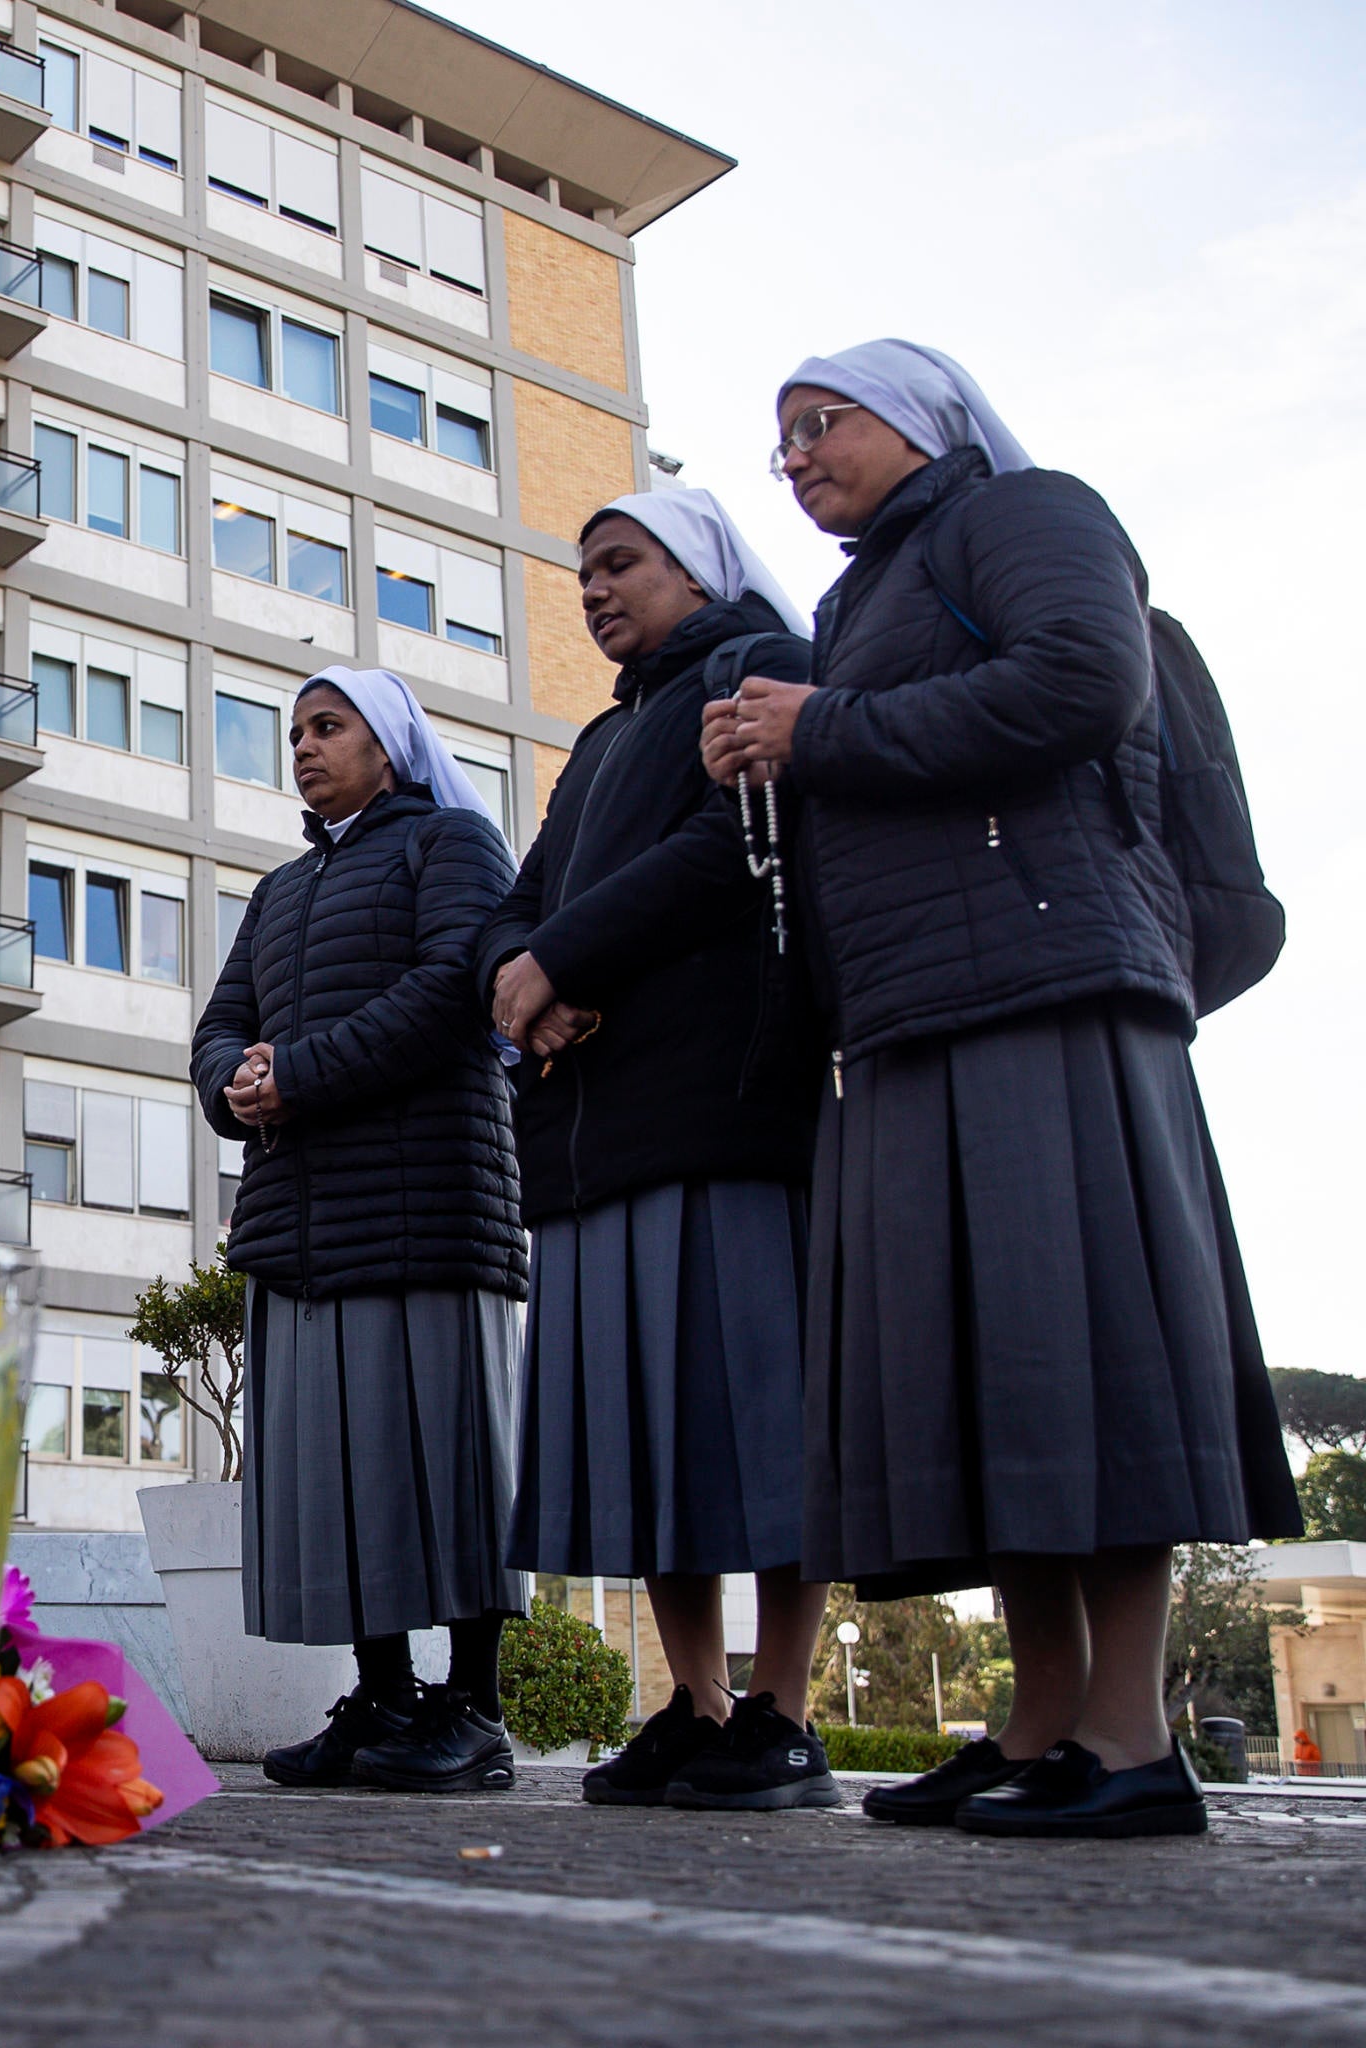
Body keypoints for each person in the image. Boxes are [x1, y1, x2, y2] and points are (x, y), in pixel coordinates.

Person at [704, 339, 1300, 1839]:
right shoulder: (859, 598)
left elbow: (1084, 681)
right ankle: (1042, 1720)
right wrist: (779, 753)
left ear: (918, 421)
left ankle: (1130, 1735)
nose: (794, 457)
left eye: (820, 422)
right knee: (1000, 1378)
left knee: (1085, 1353)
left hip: (1045, 988)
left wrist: (816, 726)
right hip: (915, 1012)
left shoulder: (1029, 515)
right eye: (779, 439)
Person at [475, 488, 836, 1811]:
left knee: (760, 1425)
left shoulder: (760, 668)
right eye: (583, 575)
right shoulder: (602, 737)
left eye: (621, 564)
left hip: (724, 1107)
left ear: (700, 568)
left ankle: (783, 1713)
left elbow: (736, 851)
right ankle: (693, 1702)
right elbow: (516, 906)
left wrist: (564, 954)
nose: (595, 591)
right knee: (654, 1441)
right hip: (594, 1126)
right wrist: (525, 972)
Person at [192, 667, 528, 1795]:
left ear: (391, 744)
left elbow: (450, 993)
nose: (304, 747)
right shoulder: (278, 889)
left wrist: (299, 1073)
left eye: (329, 727)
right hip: (302, 1216)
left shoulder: (453, 845)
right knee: (345, 1466)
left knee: (448, 1453)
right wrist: (229, 1082)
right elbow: (222, 1021)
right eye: (293, 731)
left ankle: (473, 1710)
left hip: (430, 1199)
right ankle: (383, 1696)